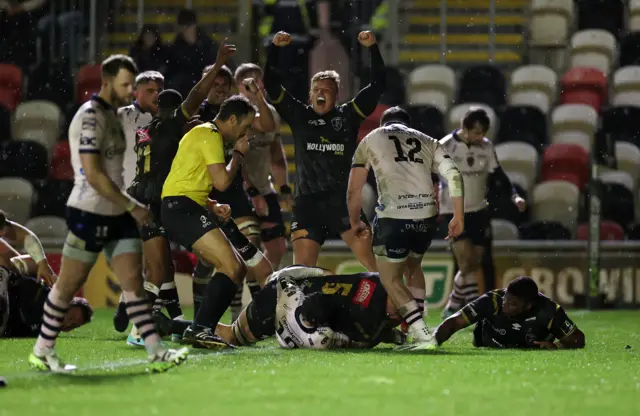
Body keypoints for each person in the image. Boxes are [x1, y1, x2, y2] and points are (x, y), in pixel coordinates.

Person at [29, 54, 188, 373]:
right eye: (125, 84)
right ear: (106, 82)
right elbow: (93, 172)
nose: (130, 90)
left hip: (117, 212)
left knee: (133, 282)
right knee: (68, 286)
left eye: (132, 84)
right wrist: (132, 205)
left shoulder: (118, 117)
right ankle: (42, 350)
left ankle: (155, 350)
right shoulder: (91, 117)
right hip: (90, 211)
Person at [120, 41, 236, 346]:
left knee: (164, 267)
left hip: (139, 196)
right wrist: (218, 60)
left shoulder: (147, 130)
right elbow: (197, 96)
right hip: (151, 202)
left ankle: (149, 320)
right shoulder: (172, 126)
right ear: (178, 113)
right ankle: (138, 328)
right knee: (158, 269)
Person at [264, 30, 385, 270]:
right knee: (302, 274)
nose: (321, 93)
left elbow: (378, 84)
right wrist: (275, 50)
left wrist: (372, 48)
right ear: (310, 94)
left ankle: (395, 307)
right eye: (317, 89)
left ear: (336, 96)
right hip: (308, 205)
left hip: (342, 204)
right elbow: (270, 84)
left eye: (327, 90)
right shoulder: (299, 115)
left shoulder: (348, 115)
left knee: (377, 268)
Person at [346, 107, 464, 350]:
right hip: (427, 216)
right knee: (413, 266)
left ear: (383, 123)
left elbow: (353, 189)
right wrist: (458, 216)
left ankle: (421, 334)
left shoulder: (372, 138)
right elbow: (453, 174)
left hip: (394, 216)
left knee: (389, 278)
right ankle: (411, 328)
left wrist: (355, 220)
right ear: (407, 124)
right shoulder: (427, 140)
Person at [160, 94, 271, 348]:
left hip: (183, 205)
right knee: (231, 266)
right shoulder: (210, 134)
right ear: (232, 119)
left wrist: (211, 204)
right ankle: (200, 329)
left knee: (238, 267)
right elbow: (222, 181)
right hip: (181, 208)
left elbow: (187, 177)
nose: (246, 133)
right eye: (245, 126)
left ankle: (198, 328)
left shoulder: (204, 134)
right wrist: (238, 155)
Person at [153, 265, 406, 349]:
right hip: (284, 297)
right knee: (232, 336)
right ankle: (167, 325)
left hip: (297, 283)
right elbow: (318, 304)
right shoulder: (370, 307)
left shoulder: (377, 287)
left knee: (230, 334)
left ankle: (168, 325)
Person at [439, 108, 526, 318]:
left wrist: (515, 196)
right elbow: (432, 176)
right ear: (464, 128)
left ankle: (458, 305)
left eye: (483, 133)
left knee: (476, 262)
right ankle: (458, 307)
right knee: (466, 262)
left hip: (479, 211)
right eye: (476, 132)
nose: (480, 137)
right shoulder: (445, 146)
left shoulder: (486, 147)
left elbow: (500, 175)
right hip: (454, 212)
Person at [235, 63, 290, 270]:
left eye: (257, 79)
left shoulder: (271, 113)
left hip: (265, 188)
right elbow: (235, 157)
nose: (253, 84)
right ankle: (243, 296)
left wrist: (283, 187)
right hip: (240, 190)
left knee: (277, 248)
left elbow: (276, 151)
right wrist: (251, 191)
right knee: (248, 247)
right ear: (238, 86)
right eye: (247, 80)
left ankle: (264, 291)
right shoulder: (235, 113)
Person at [434, 276, 586, 349]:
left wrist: (556, 346)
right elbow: (455, 321)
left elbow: (578, 338)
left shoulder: (548, 311)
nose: (505, 305)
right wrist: (433, 341)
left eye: (513, 304)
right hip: (489, 343)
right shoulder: (492, 300)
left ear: (528, 306)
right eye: (506, 299)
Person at [1, 254, 91, 338]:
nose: (68, 325)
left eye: (73, 326)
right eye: (71, 318)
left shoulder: (44, 331)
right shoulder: (41, 293)